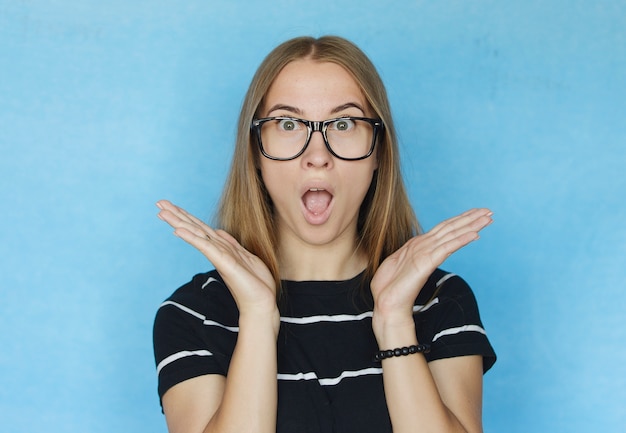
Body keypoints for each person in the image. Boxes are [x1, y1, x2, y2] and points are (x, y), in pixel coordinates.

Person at [153, 35, 496, 433]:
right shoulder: (193, 315)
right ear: (256, 154)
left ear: (379, 152)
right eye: (288, 124)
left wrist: (395, 320)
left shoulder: (441, 302)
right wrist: (260, 317)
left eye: (344, 123)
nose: (318, 155)